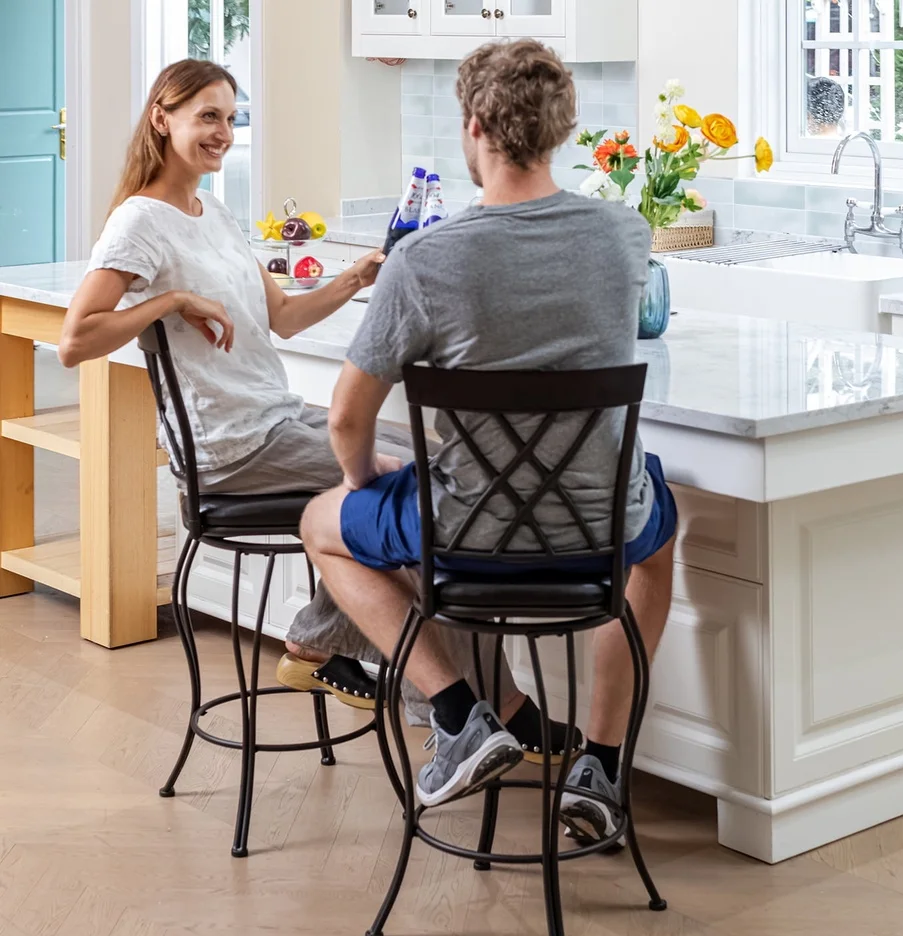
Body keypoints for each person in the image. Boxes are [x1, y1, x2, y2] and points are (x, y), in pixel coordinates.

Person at [59, 58, 567, 759]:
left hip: (275, 417)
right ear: (161, 117)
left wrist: (355, 276)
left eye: (232, 119)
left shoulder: (213, 210)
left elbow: (286, 319)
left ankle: (347, 651)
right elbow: (75, 339)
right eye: (207, 115)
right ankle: (479, 706)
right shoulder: (139, 222)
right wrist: (171, 301)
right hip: (233, 448)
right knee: (426, 492)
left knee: (423, 482)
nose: (223, 133)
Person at [300, 39, 678, 841]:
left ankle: (456, 712)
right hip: (598, 537)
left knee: (322, 525)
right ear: (563, 130)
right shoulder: (624, 236)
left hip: (465, 541)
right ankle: (602, 767)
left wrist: (365, 479)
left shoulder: (424, 260)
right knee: (659, 528)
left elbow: (344, 418)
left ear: (474, 126)